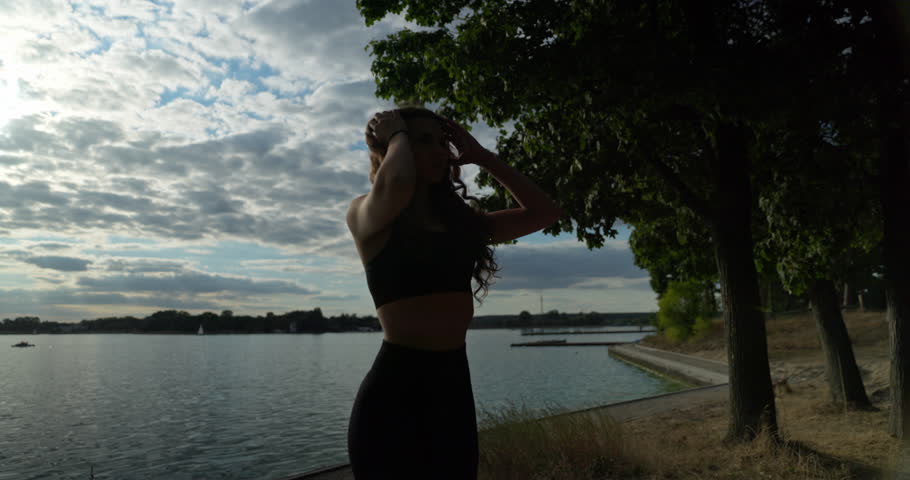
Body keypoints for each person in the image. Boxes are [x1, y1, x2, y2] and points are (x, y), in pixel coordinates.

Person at [345, 107, 562, 479]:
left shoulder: (463, 226)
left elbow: (545, 212)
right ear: (393, 149)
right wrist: (396, 135)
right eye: (423, 141)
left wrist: (482, 156)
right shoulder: (367, 216)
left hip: (452, 390)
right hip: (394, 395)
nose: (441, 152)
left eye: (442, 142)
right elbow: (396, 184)